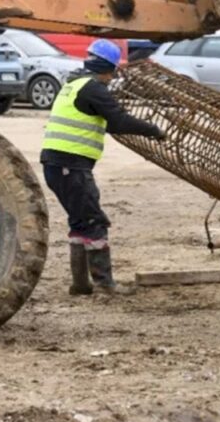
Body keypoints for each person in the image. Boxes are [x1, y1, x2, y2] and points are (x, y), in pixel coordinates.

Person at [39, 38, 166, 295]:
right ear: (107, 67)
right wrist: (152, 130)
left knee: (79, 220)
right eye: (112, 72)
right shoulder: (94, 89)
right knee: (94, 221)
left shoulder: (74, 84)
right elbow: (118, 121)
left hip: (56, 166)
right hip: (70, 166)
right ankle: (105, 284)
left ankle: (81, 284)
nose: (112, 78)